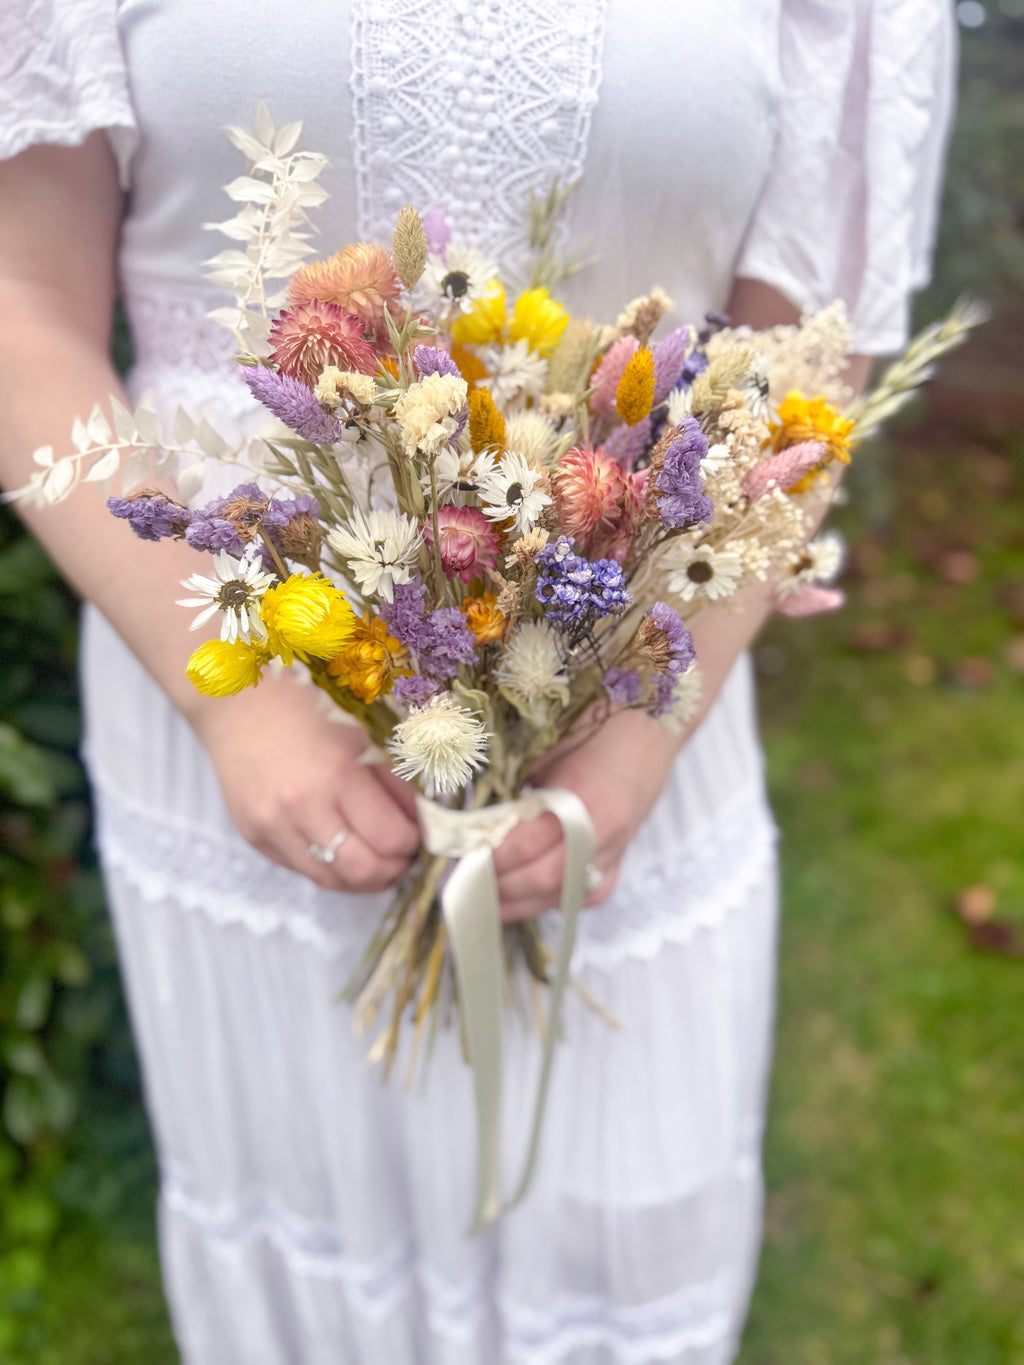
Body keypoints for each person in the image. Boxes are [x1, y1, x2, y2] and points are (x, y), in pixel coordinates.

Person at [0, 3, 954, 1362]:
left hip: (623, 732)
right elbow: (21, 303)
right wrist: (238, 704)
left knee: (610, 1263)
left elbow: (810, 363)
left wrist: (631, 748)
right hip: (228, 710)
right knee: (310, 1254)